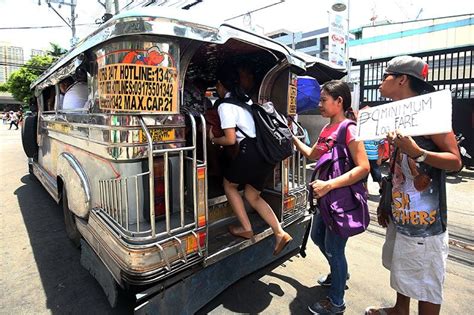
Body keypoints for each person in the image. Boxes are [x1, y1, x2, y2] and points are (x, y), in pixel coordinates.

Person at [365, 56, 461, 315]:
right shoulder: (394, 116)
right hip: (400, 212)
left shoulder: (432, 116)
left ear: (402, 79)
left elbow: (455, 161)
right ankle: (400, 310)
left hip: (425, 224)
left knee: (426, 280)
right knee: (403, 266)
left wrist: (419, 153)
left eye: (386, 76)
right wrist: (388, 203)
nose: (380, 83)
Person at [292, 80, 370, 314]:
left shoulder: (349, 128)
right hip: (325, 200)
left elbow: (363, 167)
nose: (319, 104)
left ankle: (336, 302)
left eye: (324, 100)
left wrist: (328, 184)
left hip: (341, 200)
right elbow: (311, 153)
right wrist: (291, 136)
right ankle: (339, 272)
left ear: (339, 101)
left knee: (336, 249)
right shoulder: (326, 129)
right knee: (317, 237)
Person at [208, 61, 292, 256]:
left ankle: (246, 228)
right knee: (252, 195)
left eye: (217, 86)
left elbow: (229, 139)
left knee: (229, 185)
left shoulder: (225, 106)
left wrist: (213, 139)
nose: (217, 89)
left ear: (221, 85)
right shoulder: (245, 102)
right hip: (265, 154)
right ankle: (279, 233)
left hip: (249, 151)